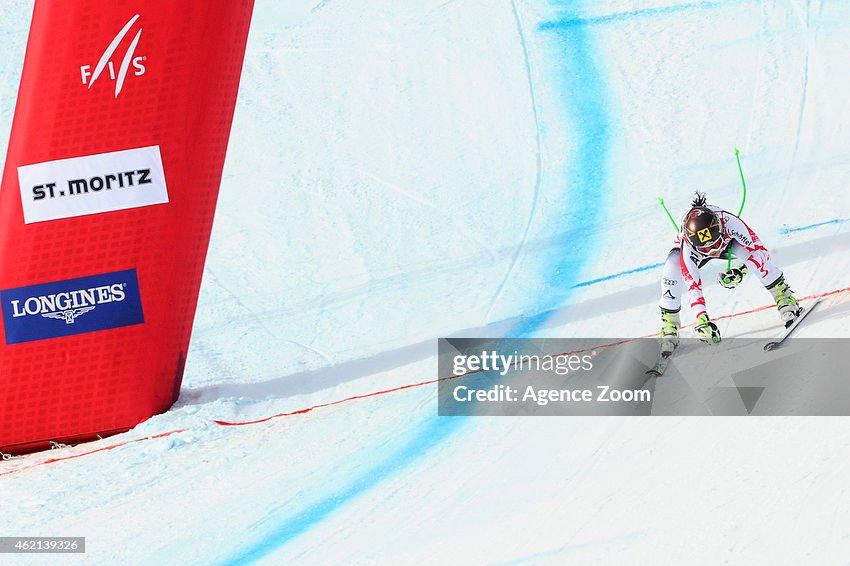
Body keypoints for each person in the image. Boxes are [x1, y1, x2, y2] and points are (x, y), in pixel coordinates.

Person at [659, 192, 801, 350]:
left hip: (729, 245)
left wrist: (742, 270)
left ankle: (783, 295)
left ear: (720, 230)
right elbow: (693, 286)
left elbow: (761, 252)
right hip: (699, 250)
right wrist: (702, 320)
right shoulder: (688, 246)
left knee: (748, 254)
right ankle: (670, 323)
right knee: (671, 267)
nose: (712, 251)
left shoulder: (731, 223)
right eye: (705, 248)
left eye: (713, 244)